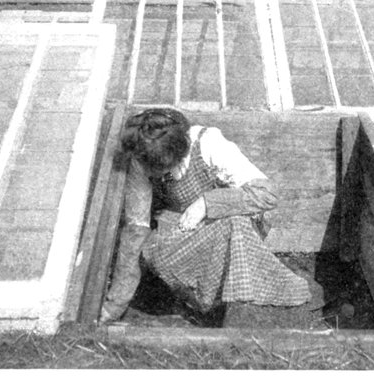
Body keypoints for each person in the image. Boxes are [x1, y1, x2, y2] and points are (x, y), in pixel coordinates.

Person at [99, 107, 312, 323]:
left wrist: (207, 203)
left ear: (176, 154)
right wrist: (116, 303)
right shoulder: (143, 156)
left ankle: (241, 307)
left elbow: (267, 195)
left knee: (234, 225)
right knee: (155, 252)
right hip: (186, 224)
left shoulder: (207, 144)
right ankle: (205, 307)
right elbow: (137, 227)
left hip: (235, 223)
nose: (153, 174)